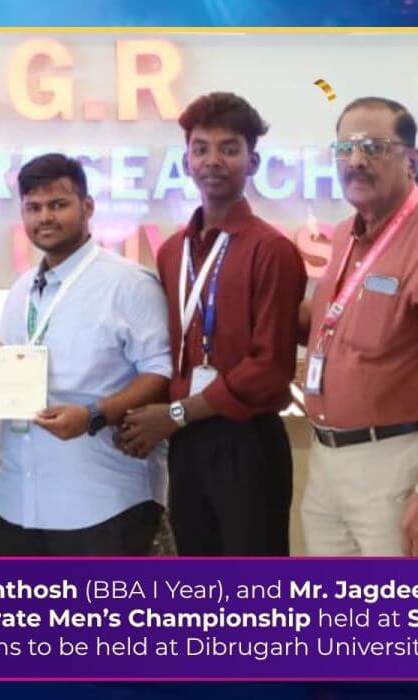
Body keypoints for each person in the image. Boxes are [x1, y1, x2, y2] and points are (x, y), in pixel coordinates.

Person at [298, 97, 418, 557]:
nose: (356, 160)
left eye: (374, 147)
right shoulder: (344, 235)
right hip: (326, 462)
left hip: (398, 463)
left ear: (412, 159)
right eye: (345, 148)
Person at [115, 92, 307, 556]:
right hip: (185, 439)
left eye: (229, 149)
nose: (213, 161)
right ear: (186, 161)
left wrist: (176, 413)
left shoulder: (272, 250)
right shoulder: (171, 252)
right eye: (200, 149)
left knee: (253, 589)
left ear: (252, 162)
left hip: (246, 439)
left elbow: (269, 368)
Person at [0, 154, 171, 556]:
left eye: (58, 205)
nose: (45, 217)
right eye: (33, 207)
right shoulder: (21, 289)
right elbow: (3, 356)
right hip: (16, 500)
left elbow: (160, 372)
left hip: (102, 502)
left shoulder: (129, 283)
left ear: (87, 207)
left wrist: (94, 415)